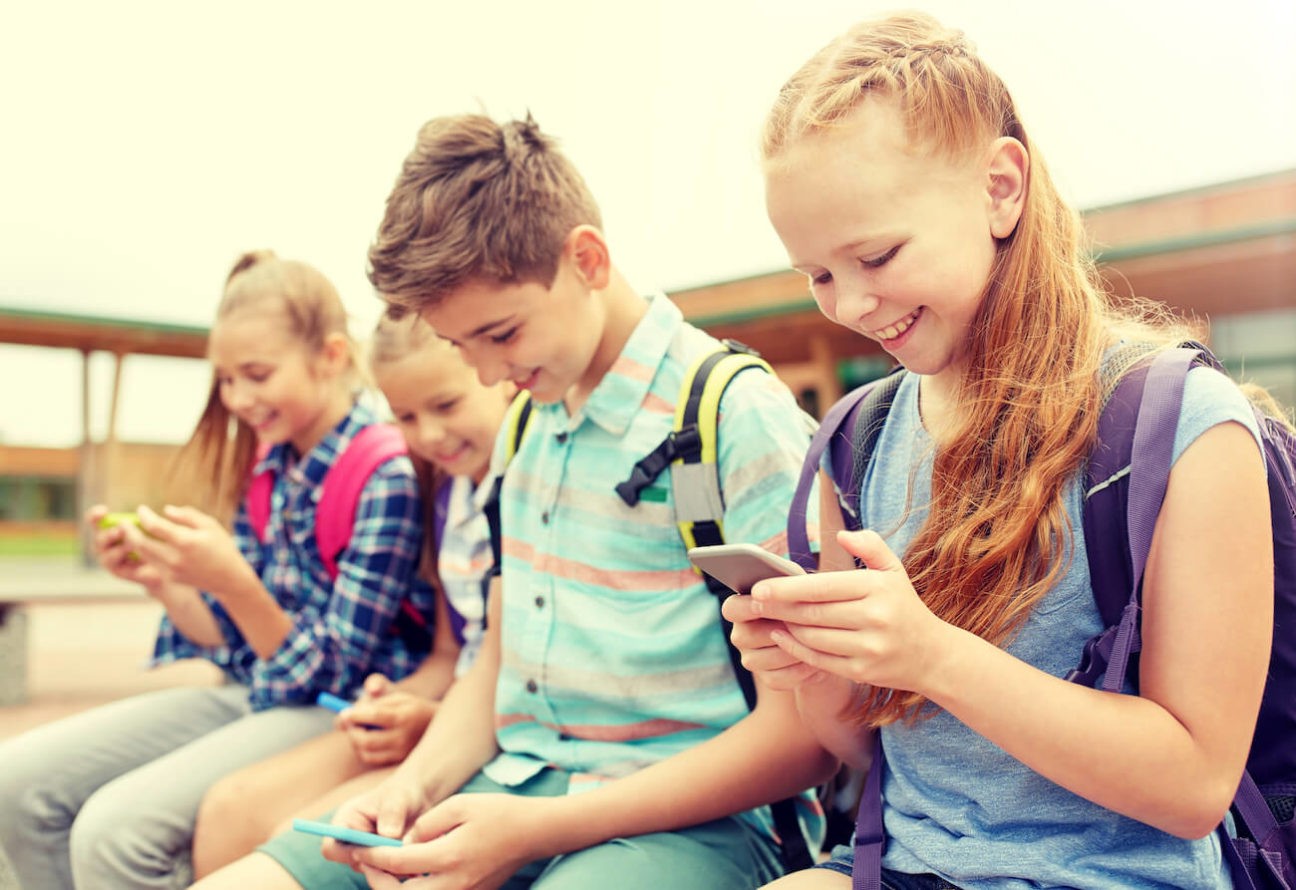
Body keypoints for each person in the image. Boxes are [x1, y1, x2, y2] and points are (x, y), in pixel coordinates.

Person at [723, 12, 1274, 890]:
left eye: (876, 254)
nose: (852, 305)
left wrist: (931, 654)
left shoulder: (1180, 426)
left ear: (1001, 187)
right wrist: (821, 674)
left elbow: (1195, 783)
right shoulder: (855, 441)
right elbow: (863, 752)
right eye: (819, 275)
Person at [293, 112, 837, 890]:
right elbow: (498, 660)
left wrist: (532, 832)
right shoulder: (525, 421)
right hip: (510, 787)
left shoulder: (730, 415)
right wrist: (408, 791)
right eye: (459, 347)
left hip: (696, 825)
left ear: (586, 259)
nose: (485, 375)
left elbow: (806, 740)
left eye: (502, 333)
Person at [0, 250, 432, 890]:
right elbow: (228, 640)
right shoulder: (267, 468)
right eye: (227, 380)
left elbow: (333, 670)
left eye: (256, 374)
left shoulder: (383, 474)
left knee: (114, 833)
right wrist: (165, 581)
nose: (238, 398)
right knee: (17, 785)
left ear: (331, 357)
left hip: (338, 708)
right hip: (253, 691)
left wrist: (232, 579)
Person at [189, 308, 515, 881]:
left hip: (492, 730)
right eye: (406, 417)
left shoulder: (519, 490)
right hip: (444, 715)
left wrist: (431, 717)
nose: (427, 435)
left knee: (292, 833)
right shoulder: (445, 493)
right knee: (229, 810)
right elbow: (448, 654)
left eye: (446, 405)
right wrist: (397, 702)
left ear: (501, 374)